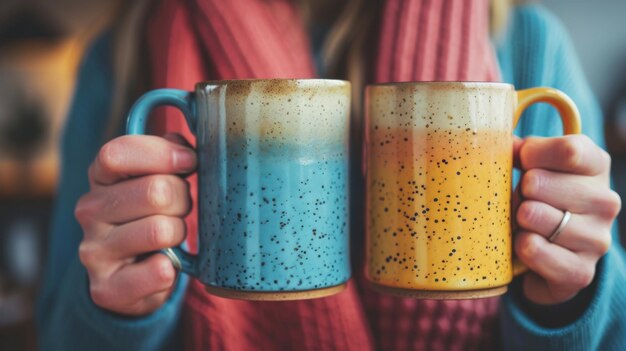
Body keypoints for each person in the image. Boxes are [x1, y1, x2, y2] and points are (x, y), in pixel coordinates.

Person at [37, 0, 625, 350]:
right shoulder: (123, 58)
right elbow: (57, 335)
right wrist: (116, 308)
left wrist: (574, 293)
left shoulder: (527, 44)